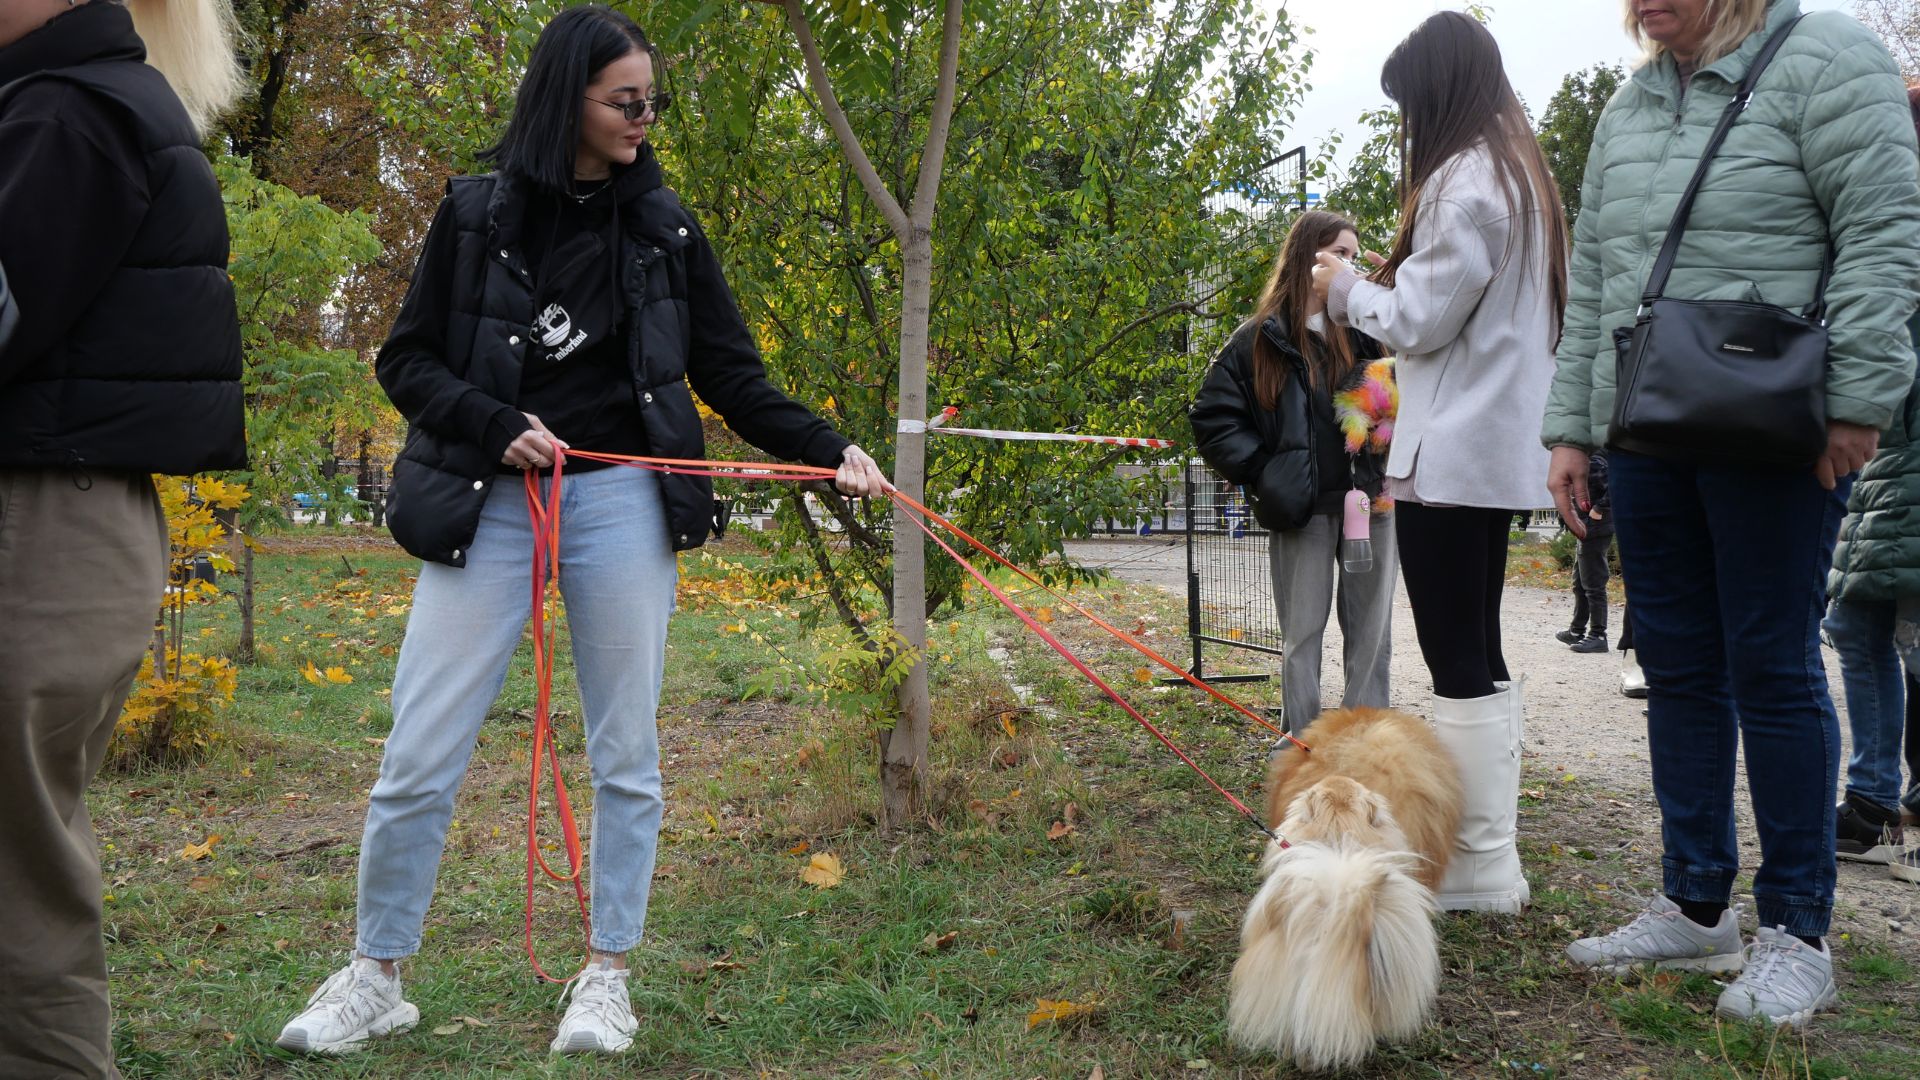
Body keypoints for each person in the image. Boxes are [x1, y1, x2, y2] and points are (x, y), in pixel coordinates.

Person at [273, 5, 887, 1057]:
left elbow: (731, 375)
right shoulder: (472, 216)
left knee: (626, 754)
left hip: (619, 504)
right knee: (418, 751)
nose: (645, 118)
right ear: (571, 98)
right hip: (489, 501)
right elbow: (406, 363)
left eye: (651, 100)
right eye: (626, 100)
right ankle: (376, 974)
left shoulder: (666, 228)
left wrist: (829, 450)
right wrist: (495, 422)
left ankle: (606, 977)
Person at [1547, 0, 1920, 1027]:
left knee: (1776, 662)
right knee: (1675, 665)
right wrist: (1573, 430)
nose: (1641, 5)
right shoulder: (1627, 107)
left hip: (1775, 428)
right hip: (1648, 429)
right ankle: (1697, 899)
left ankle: (1800, 931)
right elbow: (1597, 287)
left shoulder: (1828, 59)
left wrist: (1859, 401)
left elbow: (1884, 235)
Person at [0, 1, 246, 1076]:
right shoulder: (79, 103)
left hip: (39, 527)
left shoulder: (69, 114)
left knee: (15, 893)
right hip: (61, 518)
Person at [1309, 11, 1567, 914]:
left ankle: (1479, 866)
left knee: (1456, 651)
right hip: (1493, 449)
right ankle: (1489, 855)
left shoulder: (1464, 182)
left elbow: (1419, 318)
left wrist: (1343, 289)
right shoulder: (1522, 174)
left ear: (1437, 92)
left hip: (1453, 452)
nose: (1406, 126)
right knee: (1480, 650)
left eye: (1409, 105)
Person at [1191, 210, 1397, 739]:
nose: (1350, 265)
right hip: (1303, 511)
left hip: (1370, 506)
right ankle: (1302, 747)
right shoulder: (1260, 339)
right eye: (1340, 254)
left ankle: (1362, 744)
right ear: (1308, 258)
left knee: (1372, 636)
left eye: (1355, 255)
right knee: (1302, 637)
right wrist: (1266, 472)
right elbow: (1213, 417)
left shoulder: (1369, 334)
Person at [1555, 449, 1615, 654]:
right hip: (1587, 528)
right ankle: (1577, 630)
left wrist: (1598, 510)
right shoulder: (1584, 460)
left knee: (1593, 584)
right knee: (1580, 583)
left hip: (1595, 528)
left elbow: (1616, 486)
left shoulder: (1594, 462)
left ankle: (1598, 635)